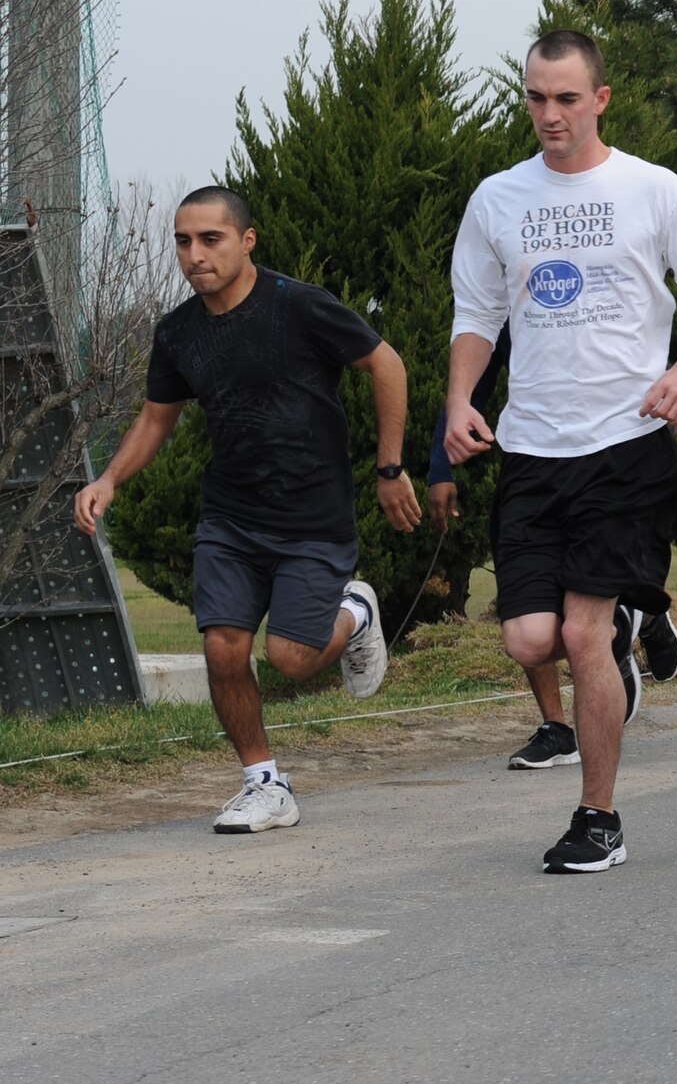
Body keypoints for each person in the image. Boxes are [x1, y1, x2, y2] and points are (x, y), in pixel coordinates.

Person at [447, 29, 677, 873]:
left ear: (600, 99)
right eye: (536, 97)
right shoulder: (498, 198)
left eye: (567, 98)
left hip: (627, 441)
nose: (549, 113)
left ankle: (598, 818)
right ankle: (622, 631)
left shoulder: (652, 188)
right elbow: (478, 312)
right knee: (528, 639)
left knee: (578, 634)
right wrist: (460, 401)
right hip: (534, 447)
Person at [74, 186, 420, 833]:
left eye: (211, 239)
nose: (194, 254)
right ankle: (264, 781)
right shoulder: (178, 332)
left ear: (247, 240)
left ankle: (357, 609)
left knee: (291, 657)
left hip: (312, 515)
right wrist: (111, 480)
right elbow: (155, 419)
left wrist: (390, 466)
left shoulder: (299, 305)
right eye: (183, 240)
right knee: (224, 648)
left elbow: (386, 363)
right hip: (231, 517)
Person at [426, 326, 677, 770]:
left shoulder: (600, 285)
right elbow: (472, 384)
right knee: (530, 618)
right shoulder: (505, 298)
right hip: (529, 463)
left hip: (607, 462)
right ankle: (557, 725)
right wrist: (439, 467)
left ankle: (628, 616)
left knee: (584, 620)